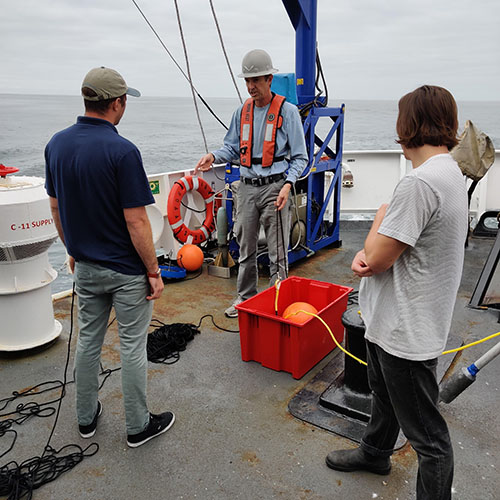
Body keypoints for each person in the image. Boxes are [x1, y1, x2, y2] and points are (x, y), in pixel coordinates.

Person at [325, 85, 468, 500]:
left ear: (408, 126)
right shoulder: (450, 172)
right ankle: (374, 453)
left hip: (405, 331)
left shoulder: (419, 184)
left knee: (429, 438)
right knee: (384, 394)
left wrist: (381, 217)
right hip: (400, 319)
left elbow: (377, 256)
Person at [45, 66, 175, 448]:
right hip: (126, 271)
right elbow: (136, 222)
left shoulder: (56, 144)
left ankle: (85, 419)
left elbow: (56, 208)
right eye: (124, 102)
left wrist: (72, 250)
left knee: (87, 341)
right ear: (116, 103)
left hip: (84, 267)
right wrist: (154, 270)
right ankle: (138, 427)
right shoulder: (122, 150)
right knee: (132, 346)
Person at [195, 49, 308, 317]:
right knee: (245, 248)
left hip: (275, 187)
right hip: (246, 187)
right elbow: (231, 148)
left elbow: (301, 157)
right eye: (247, 81)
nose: (250, 86)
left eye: (256, 80)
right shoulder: (241, 112)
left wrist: (287, 184)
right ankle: (244, 299)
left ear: (269, 79)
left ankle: (276, 303)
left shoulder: (288, 112)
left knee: (277, 252)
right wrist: (214, 156)